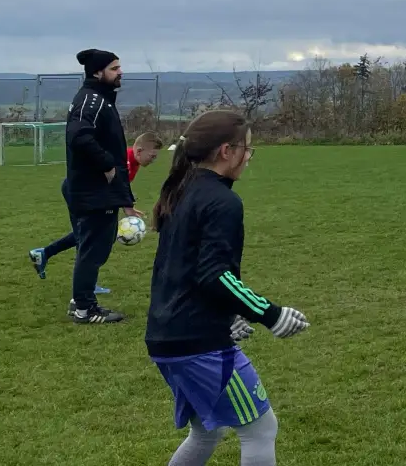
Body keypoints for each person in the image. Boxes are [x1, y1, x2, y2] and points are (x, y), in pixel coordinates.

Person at [146, 109, 310, 466]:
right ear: (226, 151)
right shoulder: (222, 201)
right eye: (247, 149)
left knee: (207, 431)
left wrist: (227, 314)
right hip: (198, 344)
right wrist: (271, 314)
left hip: (165, 336)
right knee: (260, 429)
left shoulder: (182, 189)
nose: (249, 157)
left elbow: (178, 271)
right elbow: (214, 275)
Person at [61, 48, 142, 323]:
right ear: (97, 72)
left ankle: (80, 301)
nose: (120, 72)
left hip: (100, 191)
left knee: (95, 248)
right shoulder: (90, 101)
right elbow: (78, 137)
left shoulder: (100, 99)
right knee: (93, 250)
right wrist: (106, 164)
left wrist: (126, 201)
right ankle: (85, 309)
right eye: (114, 68)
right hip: (92, 190)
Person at [31, 132, 162, 295]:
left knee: (94, 236)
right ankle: (84, 290)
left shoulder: (131, 161)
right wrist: (125, 205)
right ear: (140, 150)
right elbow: (110, 183)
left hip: (88, 193)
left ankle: (45, 254)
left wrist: (127, 204)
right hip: (78, 192)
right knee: (90, 239)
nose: (153, 160)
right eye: (152, 156)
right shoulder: (124, 160)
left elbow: (119, 185)